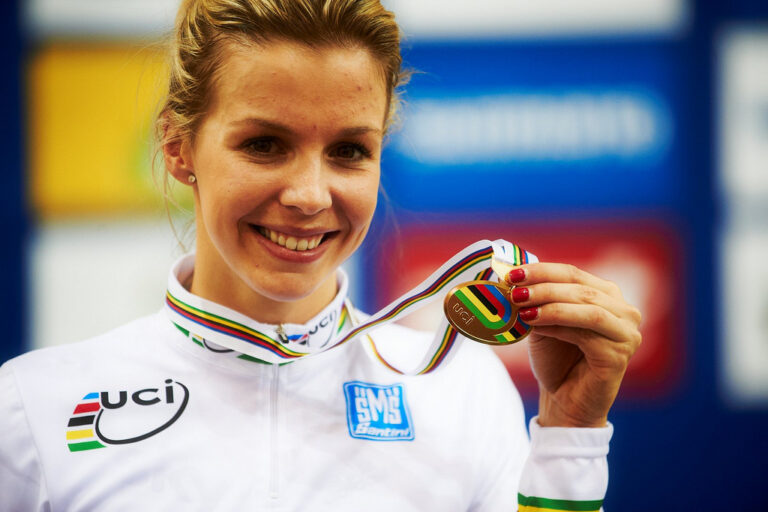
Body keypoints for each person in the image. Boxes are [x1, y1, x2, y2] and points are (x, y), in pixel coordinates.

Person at [0, 0, 642, 510]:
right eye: (264, 144)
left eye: (348, 151)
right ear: (177, 146)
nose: (309, 195)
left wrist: (569, 436)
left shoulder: (462, 391)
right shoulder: (36, 408)